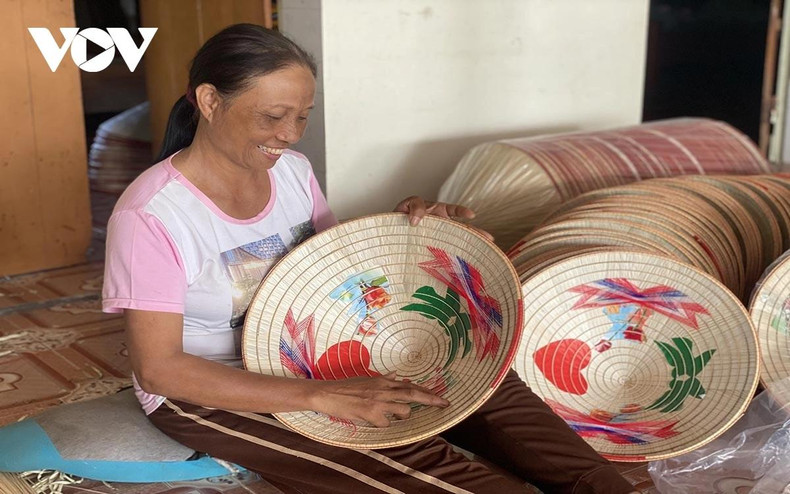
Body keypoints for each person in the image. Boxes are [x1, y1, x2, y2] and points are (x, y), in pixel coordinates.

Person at [102, 24, 637, 494]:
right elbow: (160, 368)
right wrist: (320, 397)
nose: (290, 135)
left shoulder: (292, 172)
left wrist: (413, 234)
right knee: (429, 468)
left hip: (315, 353)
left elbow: (338, 272)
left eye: (302, 117)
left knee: (488, 392)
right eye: (273, 116)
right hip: (210, 387)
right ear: (209, 101)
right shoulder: (152, 215)